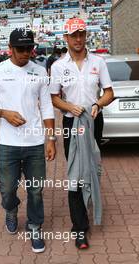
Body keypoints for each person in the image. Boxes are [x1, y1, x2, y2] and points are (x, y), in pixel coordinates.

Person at [0, 28, 56, 253]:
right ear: (10, 49)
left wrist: (51, 138)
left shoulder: (40, 71)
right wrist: (4, 113)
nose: (25, 53)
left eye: (29, 48)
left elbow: (48, 106)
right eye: (20, 48)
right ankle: (11, 211)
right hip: (8, 144)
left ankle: (34, 226)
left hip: (34, 143)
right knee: (7, 189)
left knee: (35, 190)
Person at [49, 18, 114, 249]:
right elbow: (54, 97)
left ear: (86, 36)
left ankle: (90, 198)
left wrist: (98, 104)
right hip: (71, 123)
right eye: (73, 35)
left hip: (94, 120)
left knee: (93, 168)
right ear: (65, 38)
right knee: (75, 171)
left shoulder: (98, 61)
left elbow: (109, 92)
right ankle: (79, 227)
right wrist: (69, 107)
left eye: (81, 34)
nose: (78, 39)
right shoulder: (58, 66)